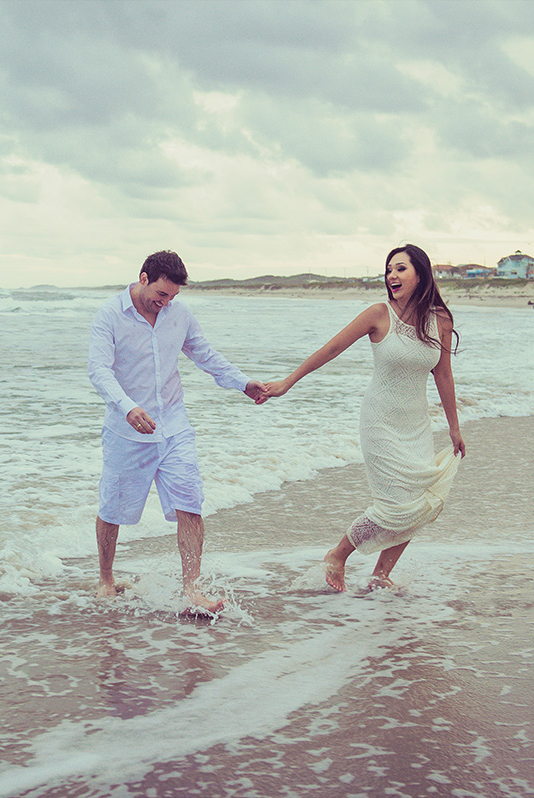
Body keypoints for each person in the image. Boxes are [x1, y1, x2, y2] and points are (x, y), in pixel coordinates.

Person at [257, 244, 465, 592]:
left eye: (400, 269)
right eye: (389, 270)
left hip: (416, 424)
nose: (392, 276)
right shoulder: (378, 314)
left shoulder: (440, 320)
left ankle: (380, 575)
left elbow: (443, 374)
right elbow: (332, 348)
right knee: (395, 505)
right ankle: (338, 555)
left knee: (418, 504)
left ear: (421, 273)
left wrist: (454, 428)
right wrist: (287, 382)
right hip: (380, 421)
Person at [88, 250, 265, 613]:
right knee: (112, 508)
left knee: (190, 503)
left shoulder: (178, 314)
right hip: (127, 432)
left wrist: (242, 383)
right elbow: (99, 371)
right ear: (143, 278)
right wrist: (128, 407)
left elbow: (205, 354)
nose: (165, 302)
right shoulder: (109, 315)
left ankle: (191, 590)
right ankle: (106, 578)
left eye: (172, 297)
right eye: (161, 295)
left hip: (173, 426)